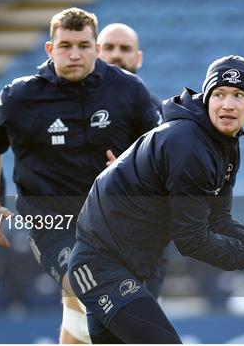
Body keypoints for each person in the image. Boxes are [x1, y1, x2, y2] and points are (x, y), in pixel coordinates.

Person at [67, 55, 244, 343]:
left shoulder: (225, 146)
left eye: (238, 95)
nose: (228, 104)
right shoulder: (187, 144)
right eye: (219, 94)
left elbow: (218, 221)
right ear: (207, 99)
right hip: (98, 265)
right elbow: (192, 240)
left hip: (129, 268)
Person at [0, 7, 161, 343]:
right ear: (50, 49)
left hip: (118, 223)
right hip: (52, 223)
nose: (74, 54)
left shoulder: (130, 90)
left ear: (96, 48)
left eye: (83, 45)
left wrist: (131, 169)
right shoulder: (20, 96)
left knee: (89, 309)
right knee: (90, 284)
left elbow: (160, 149)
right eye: (65, 46)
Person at [97, 22, 166, 299]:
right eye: (109, 48)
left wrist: (126, 174)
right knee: (81, 324)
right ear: (96, 53)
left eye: (125, 49)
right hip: (89, 234)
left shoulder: (157, 111)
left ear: (137, 58)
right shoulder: (72, 106)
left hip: (145, 240)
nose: (117, 55)